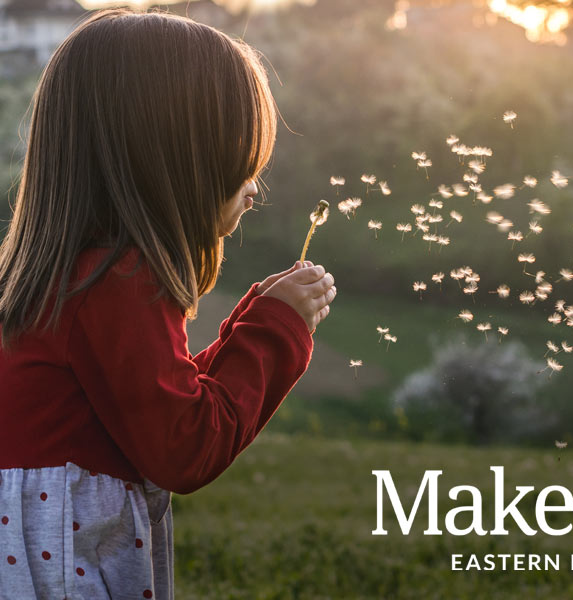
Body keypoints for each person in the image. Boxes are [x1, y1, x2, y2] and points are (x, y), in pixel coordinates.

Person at [0, 8, 336, 599]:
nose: (254, 185)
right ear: (171, 158)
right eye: (237, 160)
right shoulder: (116, 281)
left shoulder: (62, 278)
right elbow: (184, 447)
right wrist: (277, 330)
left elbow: (155, 402)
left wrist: (249, 320)